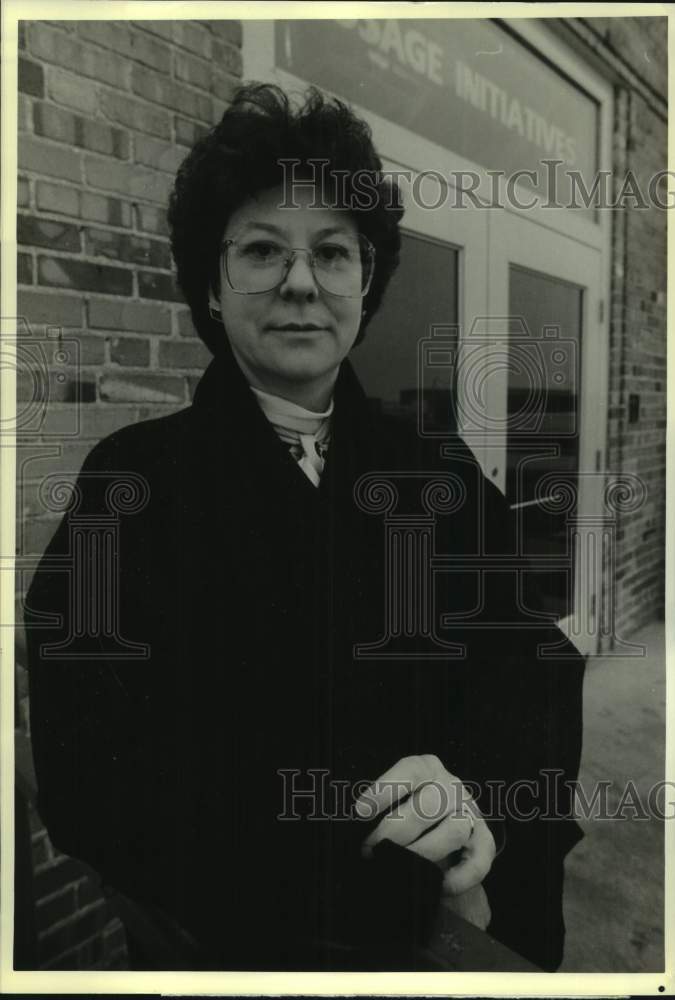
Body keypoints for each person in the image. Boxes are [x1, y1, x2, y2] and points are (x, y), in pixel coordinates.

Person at [25, 83, 585, 972]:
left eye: (332, 252)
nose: (298, 282)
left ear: (367, 282)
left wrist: (485, 810)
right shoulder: (131, 483)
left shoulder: (436, 473)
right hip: (238, 947)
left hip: (452, 922)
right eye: (260, 250)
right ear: (211, 287)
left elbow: (533, 670)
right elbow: (89, 764)